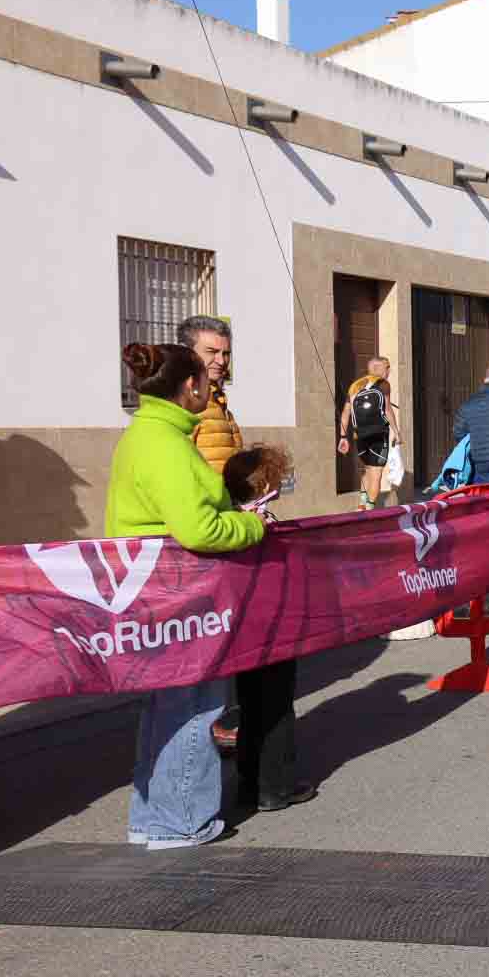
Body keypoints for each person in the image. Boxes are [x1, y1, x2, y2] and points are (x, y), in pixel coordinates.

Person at [111, 342, 267, 848]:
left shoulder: (150, 434)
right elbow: (199, 529)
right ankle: (180, 821)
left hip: (161, 589)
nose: (211, 382)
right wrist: (252, 526)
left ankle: (154, 818)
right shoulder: (165, 444)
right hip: (180, 592)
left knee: (169, 705)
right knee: (194, 705)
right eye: (205, 375)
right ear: (189, 386)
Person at [217, 442, 316, 819]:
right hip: (274, 623)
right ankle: (276, 786)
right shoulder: (261, 522)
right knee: (276, 706)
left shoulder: (227, 521)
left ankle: (248, 784)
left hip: (242, 626)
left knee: (250, 704)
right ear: (263, 486)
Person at [180, 315, 240, 475]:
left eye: (226, 353)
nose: (221, 361)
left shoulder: (217, 397)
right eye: (211, 352)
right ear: (187, 353)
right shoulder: (184, 400)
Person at [338, 357, 398, 510]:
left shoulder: (355, 386)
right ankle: (369, 509)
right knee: (376, 473)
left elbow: (345, 413)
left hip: (360, 436)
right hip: (379, 435)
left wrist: (343, 437)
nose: (389, 371)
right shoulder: (384, 384)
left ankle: (361, 505)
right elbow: (387, 410)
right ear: (379, 369)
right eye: (387, 367)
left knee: (367, 470)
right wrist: (397, 433)